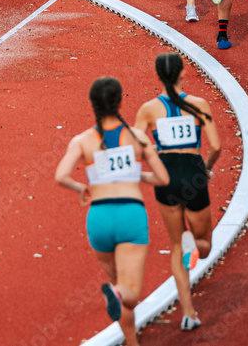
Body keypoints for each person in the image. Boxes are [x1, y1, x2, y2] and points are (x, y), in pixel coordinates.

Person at [56, 76, 169, 345]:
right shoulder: (138, 137)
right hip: (131, 215)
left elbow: (60, 176)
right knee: (127, 292)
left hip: (99, 218)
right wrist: (138, 175)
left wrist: (80, 187)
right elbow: (163, 178)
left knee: (118, 283)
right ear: (120, 101)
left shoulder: (83, 140)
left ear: (92, 104)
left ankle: (132, 342)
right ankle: (117, 295)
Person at [134, 53, 221, 332]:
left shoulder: (148, 109)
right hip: (194, 174)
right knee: (205, 247)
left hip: (166, 178)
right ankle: (193, 244)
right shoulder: (199, 104)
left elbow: (136, 147)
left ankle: (188, 313)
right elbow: (216, 147)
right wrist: (205, 168)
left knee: (175, 246)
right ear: (183, 74)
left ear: (159, 77)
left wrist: (151, 163)